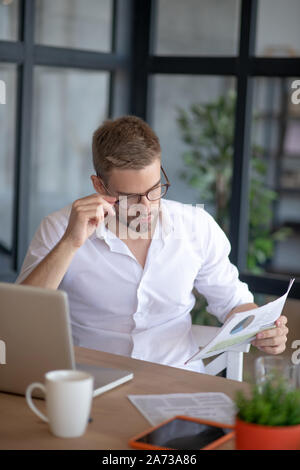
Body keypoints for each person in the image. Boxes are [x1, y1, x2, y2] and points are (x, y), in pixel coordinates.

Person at [15, 115, 288, 374]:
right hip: (93, 382)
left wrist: (264, 329)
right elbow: (21, 316)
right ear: (99, 186)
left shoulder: (195, 226)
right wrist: (70, 244)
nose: (146, 207)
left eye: (154, 189)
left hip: (178, 381)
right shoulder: (58, 228)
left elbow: (232, 302)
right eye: (131, 197)